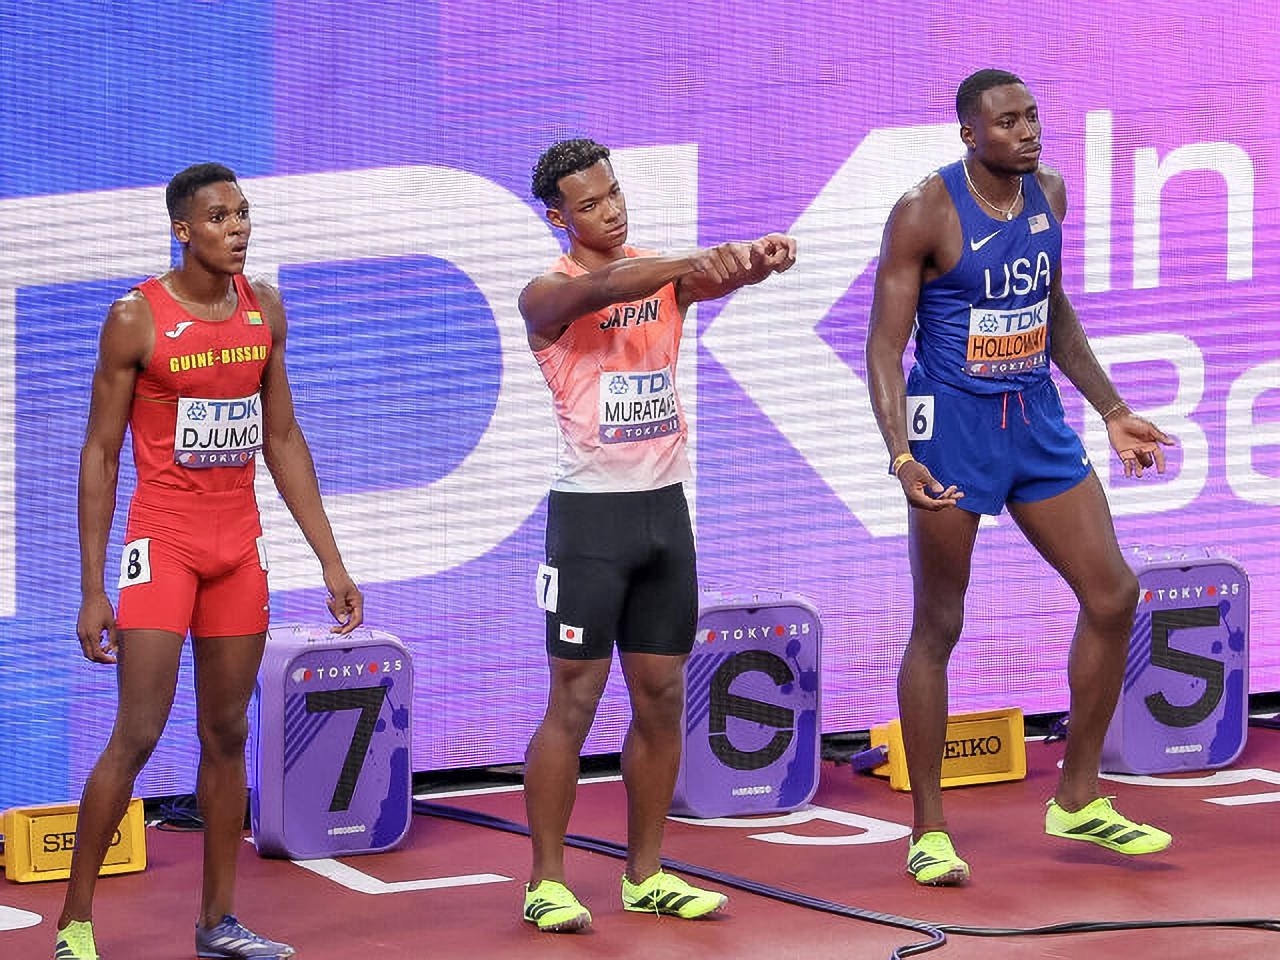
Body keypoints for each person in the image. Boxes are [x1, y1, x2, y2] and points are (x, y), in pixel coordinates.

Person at [865, 70, 1174, 886]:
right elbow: (883, 347)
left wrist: (1111, 408)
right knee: (939, 621)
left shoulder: (1050, 193)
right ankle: (929, 830)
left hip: (1034, 419)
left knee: (1113, 593)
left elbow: (1050, 307)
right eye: (1007, 122)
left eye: (1032, 116)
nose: (1028, 131)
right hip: (952, 430)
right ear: (970, 133)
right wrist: (900, 454)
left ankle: (1078, 797)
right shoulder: (924, 211)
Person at [56, 163, 363, 960]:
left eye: (243, 213)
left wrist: (330, 561)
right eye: (219, 217)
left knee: (227, 733)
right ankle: (75, 923)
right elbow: (99, 454)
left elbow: (282, 437)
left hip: (238, 549)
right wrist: (91, 588)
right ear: (182, 230)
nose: (238, 228)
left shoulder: (266, 308)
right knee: (138, 731)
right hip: (164, 544)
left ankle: (217, 921)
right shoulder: (136, 318)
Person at [519, 138, 796, 931]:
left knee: (664, 697)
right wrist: (695, 262)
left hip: (665, 514)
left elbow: (713, 276)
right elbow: (610, 284)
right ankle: (545, 883)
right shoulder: (547, 293)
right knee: (574, 700)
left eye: (613, 193)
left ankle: (645, 875)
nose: (611, 210)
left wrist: (757, 260)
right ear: (560, 218)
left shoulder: (665, 275)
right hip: (590, 522)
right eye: (590, 204)